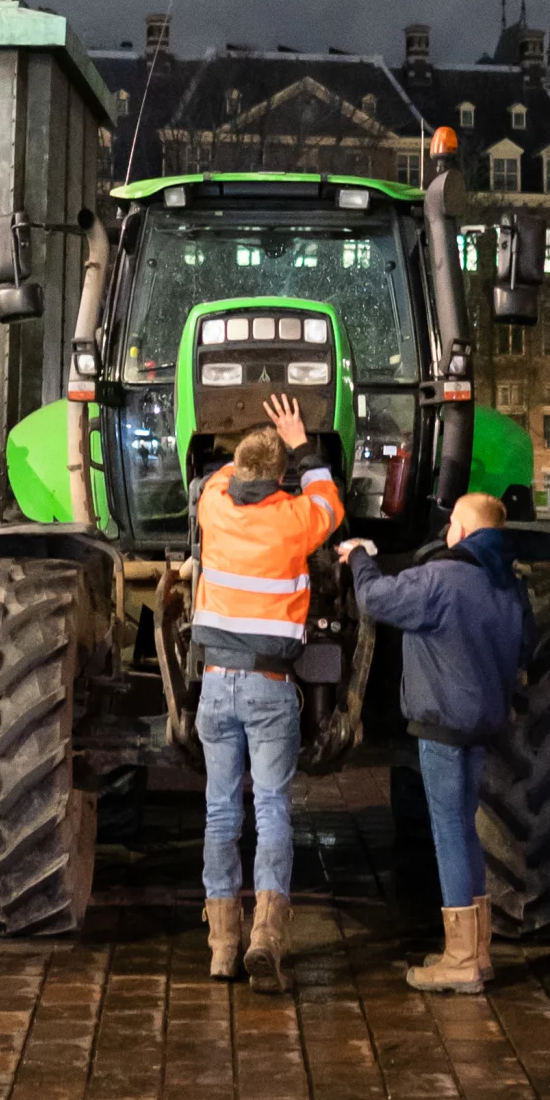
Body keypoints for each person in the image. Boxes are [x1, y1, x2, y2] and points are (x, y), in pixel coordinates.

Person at [344, 487, 527, 992]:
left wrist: (358, 557)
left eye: (451, 526)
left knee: (448, 831)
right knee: (465, 829)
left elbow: (373, 599)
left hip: (442, 726)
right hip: (483, 724)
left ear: (461, 530)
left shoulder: (440, 579)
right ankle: (477, 953)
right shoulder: (507, 584)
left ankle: (461, 961)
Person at [191, 388, 341, 986]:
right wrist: (301, 443)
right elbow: (329, 501)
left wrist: (244, 439)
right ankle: (267, 937)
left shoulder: (213, 506)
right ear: (281, 478)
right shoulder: (295, 519)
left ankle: (221, 946)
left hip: (214, 686)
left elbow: (218, 477)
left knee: (220, 811)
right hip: (269, 686)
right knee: (273, 807)